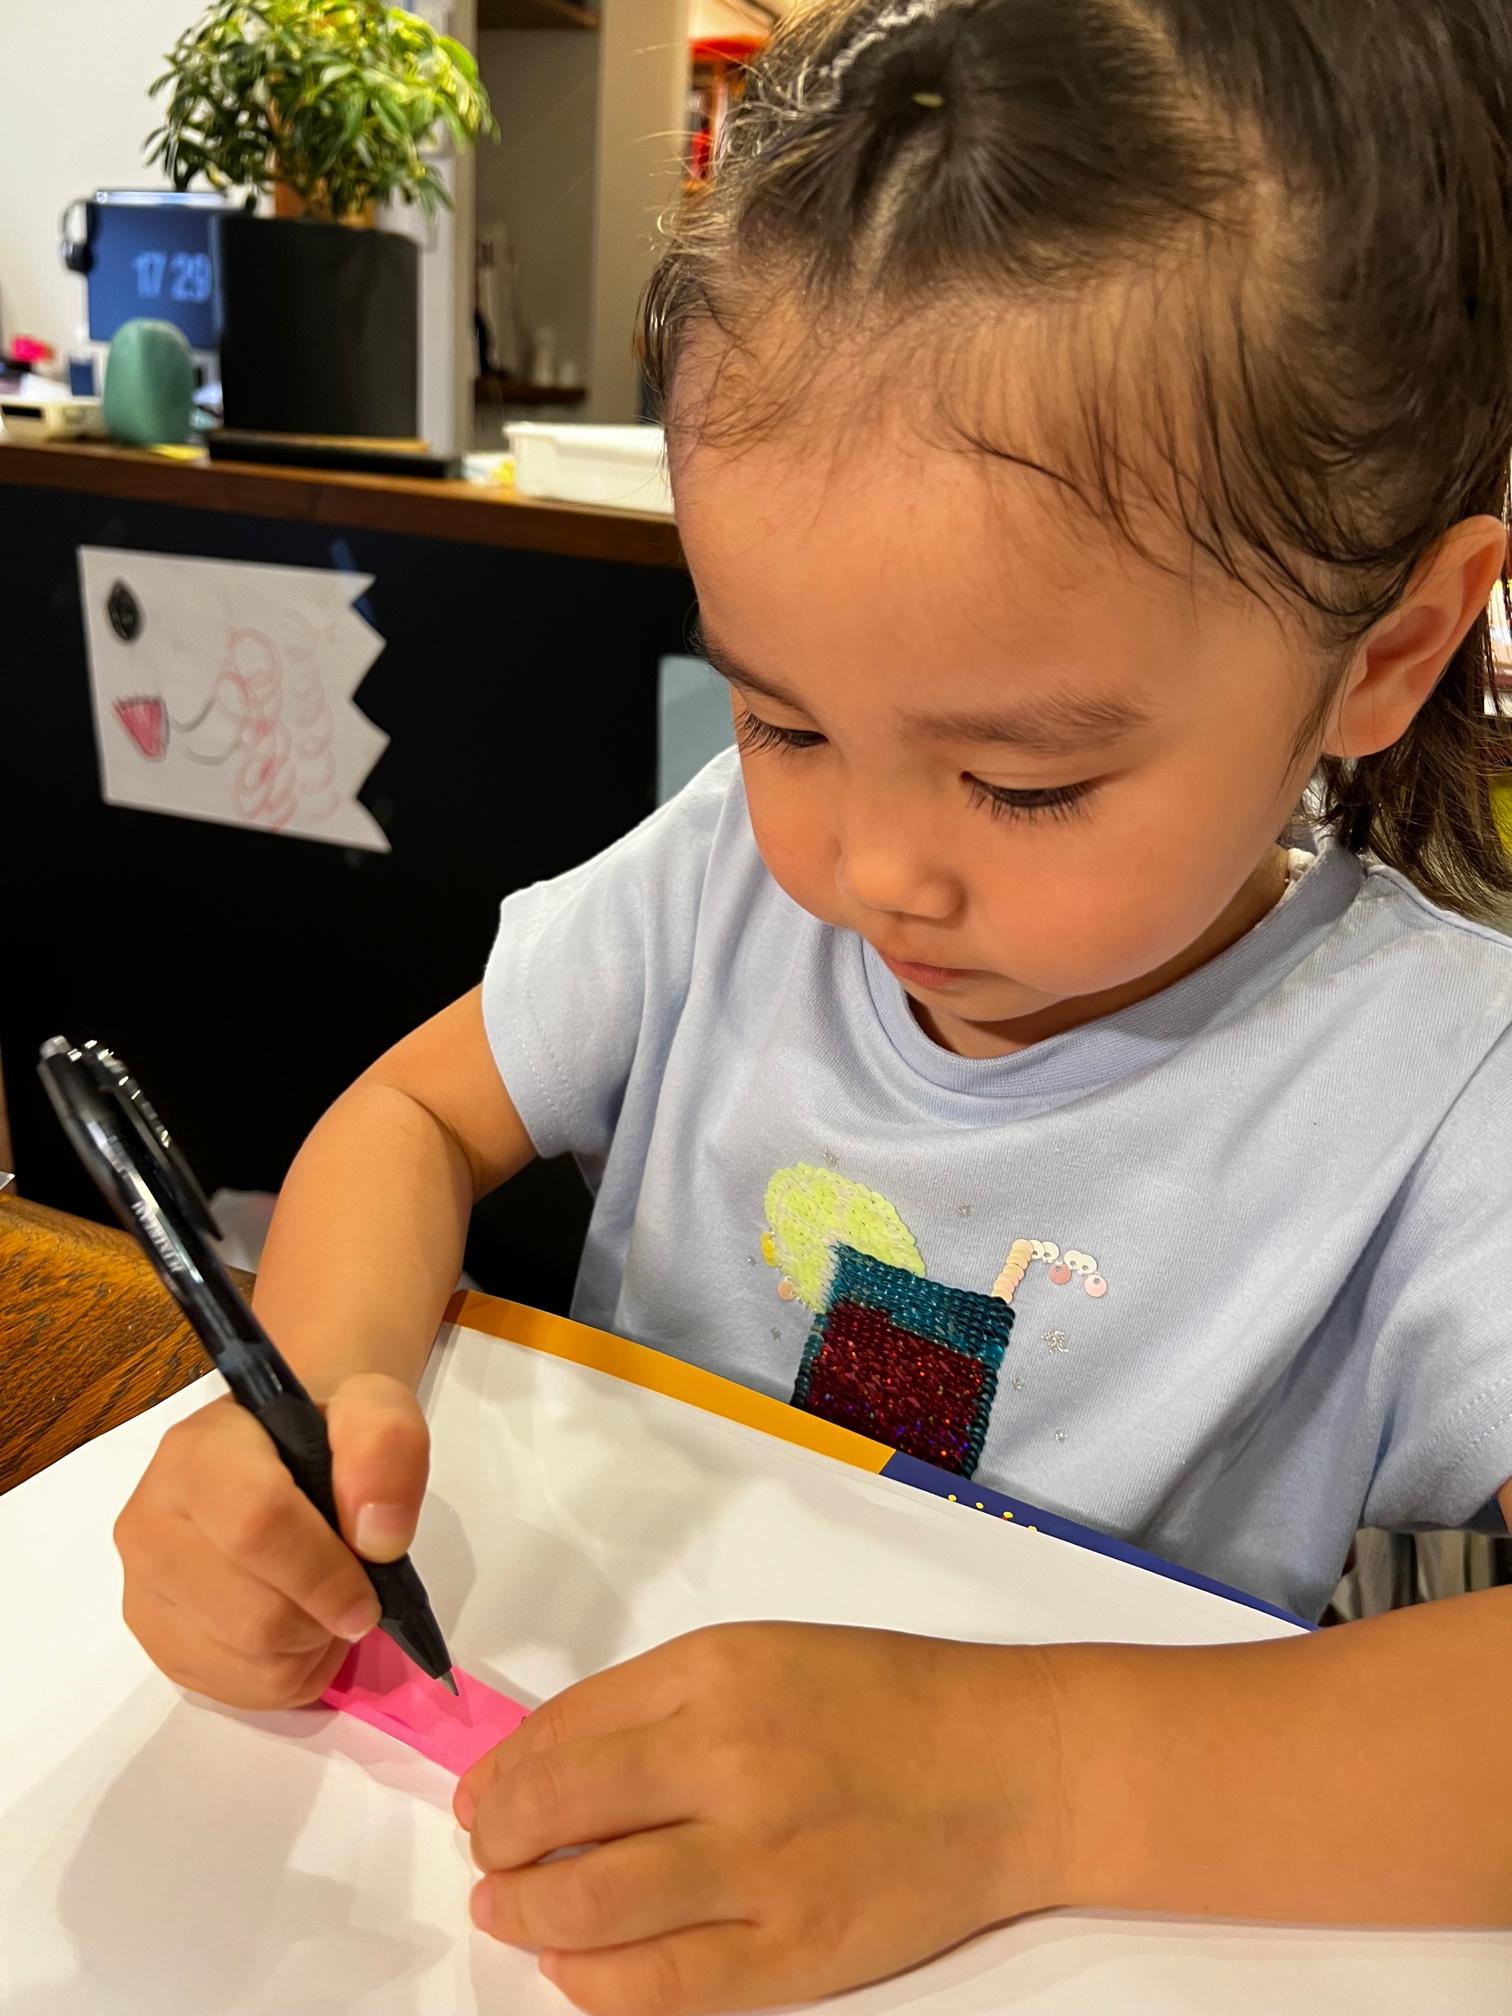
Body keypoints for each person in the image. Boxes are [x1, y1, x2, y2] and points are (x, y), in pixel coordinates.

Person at [113, 1, 1512, 2007]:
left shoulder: (1443, 1089)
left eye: (1026, 781)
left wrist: (1029, 1780)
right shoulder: (717, 884)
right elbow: (414, 1117)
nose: (873, 874)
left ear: (1386, 653)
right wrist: (315, 1400)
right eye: (781, 720)